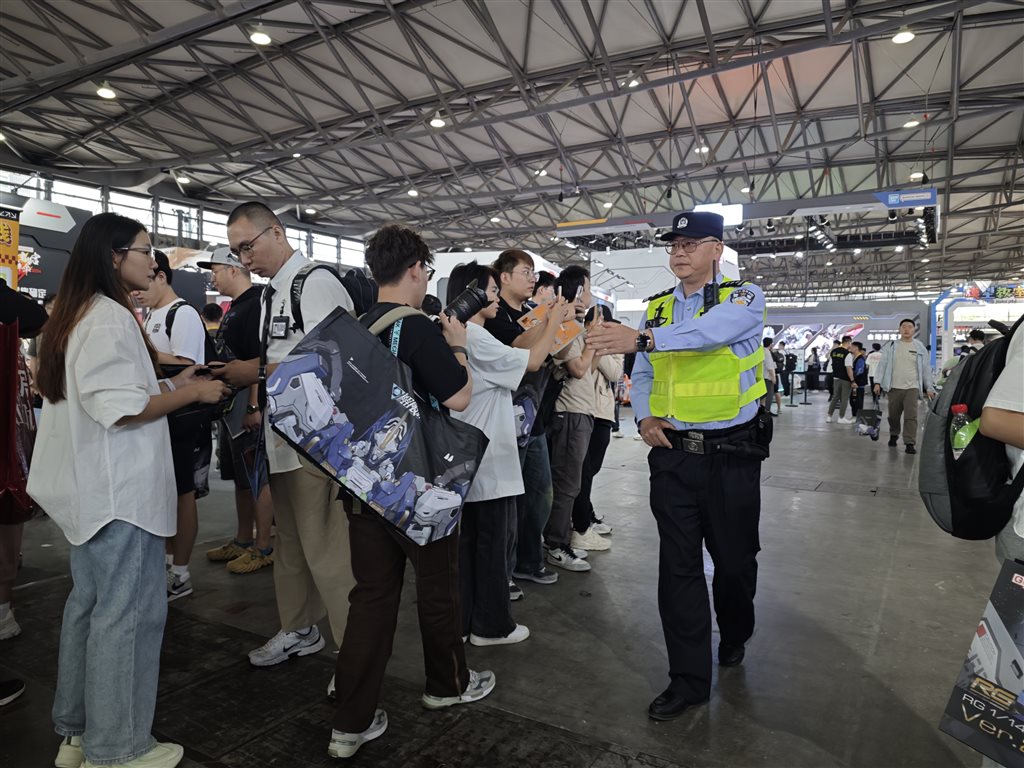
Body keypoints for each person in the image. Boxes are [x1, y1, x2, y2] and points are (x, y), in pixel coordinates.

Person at [26, 212, 228, 768]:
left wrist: (173, 382)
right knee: (128, 616)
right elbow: (121, 410)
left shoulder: (77, 315)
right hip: (120, 495)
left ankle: (80, 733)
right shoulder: (111, 317)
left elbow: (112, 394)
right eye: (144, 250)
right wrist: (193, 397)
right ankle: (117, 748)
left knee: (91, 609)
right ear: (115, 257)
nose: (153, 261)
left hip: (93, 492)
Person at [587, 210, 767, 721]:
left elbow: (710, 334)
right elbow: (642, 373)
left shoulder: (743, 298)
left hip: (731, 455)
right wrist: (644, 417)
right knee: (678, 570)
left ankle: (734, 633)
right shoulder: (658, 310)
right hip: (672, 459)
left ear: (716, 250)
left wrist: (642, 340)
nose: (679, 253)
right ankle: (687, 680)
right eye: (673, 246)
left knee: (734, 565)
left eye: (690, 244)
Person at [329, 225, 494, 760]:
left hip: (361, 484)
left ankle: (348, 725)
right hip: (419, 484)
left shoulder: (354, 326)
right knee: (438, 589)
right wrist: (459, 348)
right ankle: (446, 686)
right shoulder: (418, 327)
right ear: (418, 269)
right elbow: (461, 398)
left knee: (370, 599)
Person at [215, 202, 356, 670]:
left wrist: (252, 370)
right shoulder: (272, 293)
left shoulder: (314, 283)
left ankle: (354, 655)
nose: (244, 259)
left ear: (276, 233)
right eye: (237, 252)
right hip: (283, 440)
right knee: (291, 542)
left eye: (248, 246)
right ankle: (299, 627)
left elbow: (337, 360)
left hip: (319, 443)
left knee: (329, 552)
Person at [448, 261, 566, 645]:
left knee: (473, 548)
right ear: (472, 295)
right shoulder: (476, 339)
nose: (497, 298)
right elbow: (532, 362)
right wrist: (553, 321)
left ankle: (470, 622)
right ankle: (492, 625)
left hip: (473, 456)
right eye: (491, 291)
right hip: (489, 458)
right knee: (493, 546)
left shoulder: (463, 335)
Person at [135, 250, 211, 600]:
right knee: (167, 493)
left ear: (161, 276)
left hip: (183, 417)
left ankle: (180, 572)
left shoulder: (183, 315)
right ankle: (168, 565)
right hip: (162, 414)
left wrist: (145, 353)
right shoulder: (153, 315)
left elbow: (189, 365)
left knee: (183, 495)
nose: (137, 291)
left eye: (145, 281)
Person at [484, 250, 561, 590]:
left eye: (533, 273)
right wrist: (549, 322)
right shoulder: (494, 316)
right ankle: (505, 570)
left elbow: (551, 351)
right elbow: (524, 352)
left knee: (541, 492)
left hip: (535, 420)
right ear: (504, 277)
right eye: (526, 272)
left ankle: (529, 561)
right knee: (508, 502)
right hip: (505, 421)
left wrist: (554, 323)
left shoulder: (532, 312)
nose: (533, 279)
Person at [197, 248, 274, 574]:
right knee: (240, 479)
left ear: (232, 269)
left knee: (257, 477)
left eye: (215, 270)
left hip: (248, 406)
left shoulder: (256, 304)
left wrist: (255, 405)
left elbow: (260, 358)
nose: (212, 277)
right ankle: (243, 539)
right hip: (232, 409)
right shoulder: (235, 308)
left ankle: (264, 546)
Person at [544, 266, 599, 573]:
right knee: (566, 484)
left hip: (583, 411)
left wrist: (593, 340)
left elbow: (589, 368)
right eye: (588, 289)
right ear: (578, 291)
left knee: (572, 483)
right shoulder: (565, 325)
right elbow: (577, 368)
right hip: (569, 414)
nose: (590, 295)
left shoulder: (576, 325)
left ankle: (558, 538)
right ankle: (555, 543)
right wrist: (588, 339)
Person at [571, 305, 622, 547]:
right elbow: (581, 370)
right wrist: (590, 344)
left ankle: (585, 514)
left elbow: (614, 373)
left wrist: (595, 346)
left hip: (602, 413)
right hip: (580, 409)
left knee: (592, 469)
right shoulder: (579, 338)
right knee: (583, 471)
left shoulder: (615, 346)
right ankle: (581, 521)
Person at [872, 318, 936, 454]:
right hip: (893, 387)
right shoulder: (890, 346)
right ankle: (894, 434)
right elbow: (882, 365)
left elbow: (925, 369)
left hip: (912, 388)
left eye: (909, 326)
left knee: (911, 416)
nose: (906, 329)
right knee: (893, 416)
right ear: (900, 329)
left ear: (914, 330)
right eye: (903, 326)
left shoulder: (919, 348)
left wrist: (929, 387)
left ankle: (909, 443)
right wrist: (877, 382)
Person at [826, 336, 856, 425]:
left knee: (835, 397)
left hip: (835, 377)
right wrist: (853, 380)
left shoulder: (834, 352)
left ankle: (829, 416)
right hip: (845, 379)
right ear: (849, 342)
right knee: (844, 399)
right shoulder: (847, 354)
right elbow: (849, 369)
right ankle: (841, 417)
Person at [849, 342, 869, 417]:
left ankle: (857, 416)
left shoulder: (860, 358)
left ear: (856, 348)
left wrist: (851, 376)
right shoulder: (854, 357)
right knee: (853, 400)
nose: (850, 348)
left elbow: (859, 371)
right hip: (855, 383)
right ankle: (854, 415)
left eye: (852, 346)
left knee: (857, 401)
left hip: (858, 384)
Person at [762, 338, 778, 416]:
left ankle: (763, 410)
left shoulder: (762, 351)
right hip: (767, 377)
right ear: (770, 344)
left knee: (763, 395)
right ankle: (767, 411)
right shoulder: (767, 352)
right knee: (769, 395)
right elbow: (770, 367)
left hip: (762, 376)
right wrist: (773, 378)